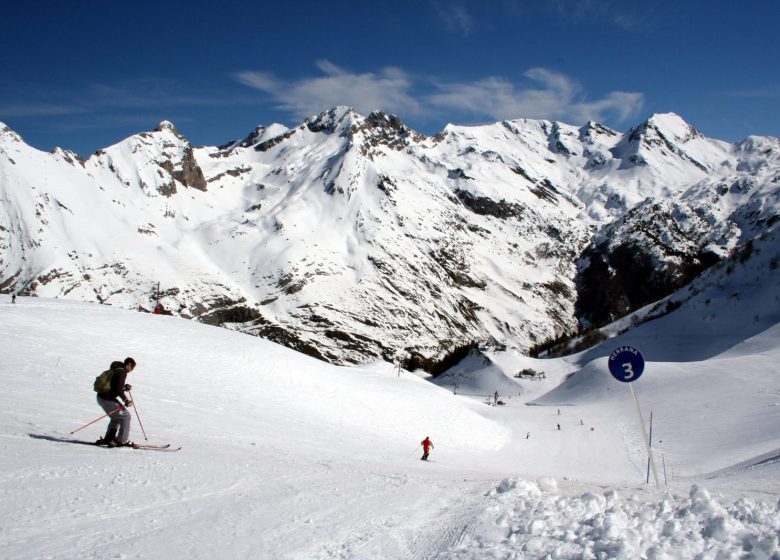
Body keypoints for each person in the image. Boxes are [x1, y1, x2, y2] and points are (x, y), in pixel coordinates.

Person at [95, 357, 137, 447]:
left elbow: (115, 386)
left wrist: (124, 387)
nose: (132, 370)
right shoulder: (122, 372)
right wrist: (126, 400)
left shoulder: (116, 369)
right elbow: (118, 389)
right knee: (126, 416)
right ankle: (122, 440)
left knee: (116, 417)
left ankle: (109, 438)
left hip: (101, 397)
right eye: (132, 367)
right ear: (128, 365)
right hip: (108, 399)